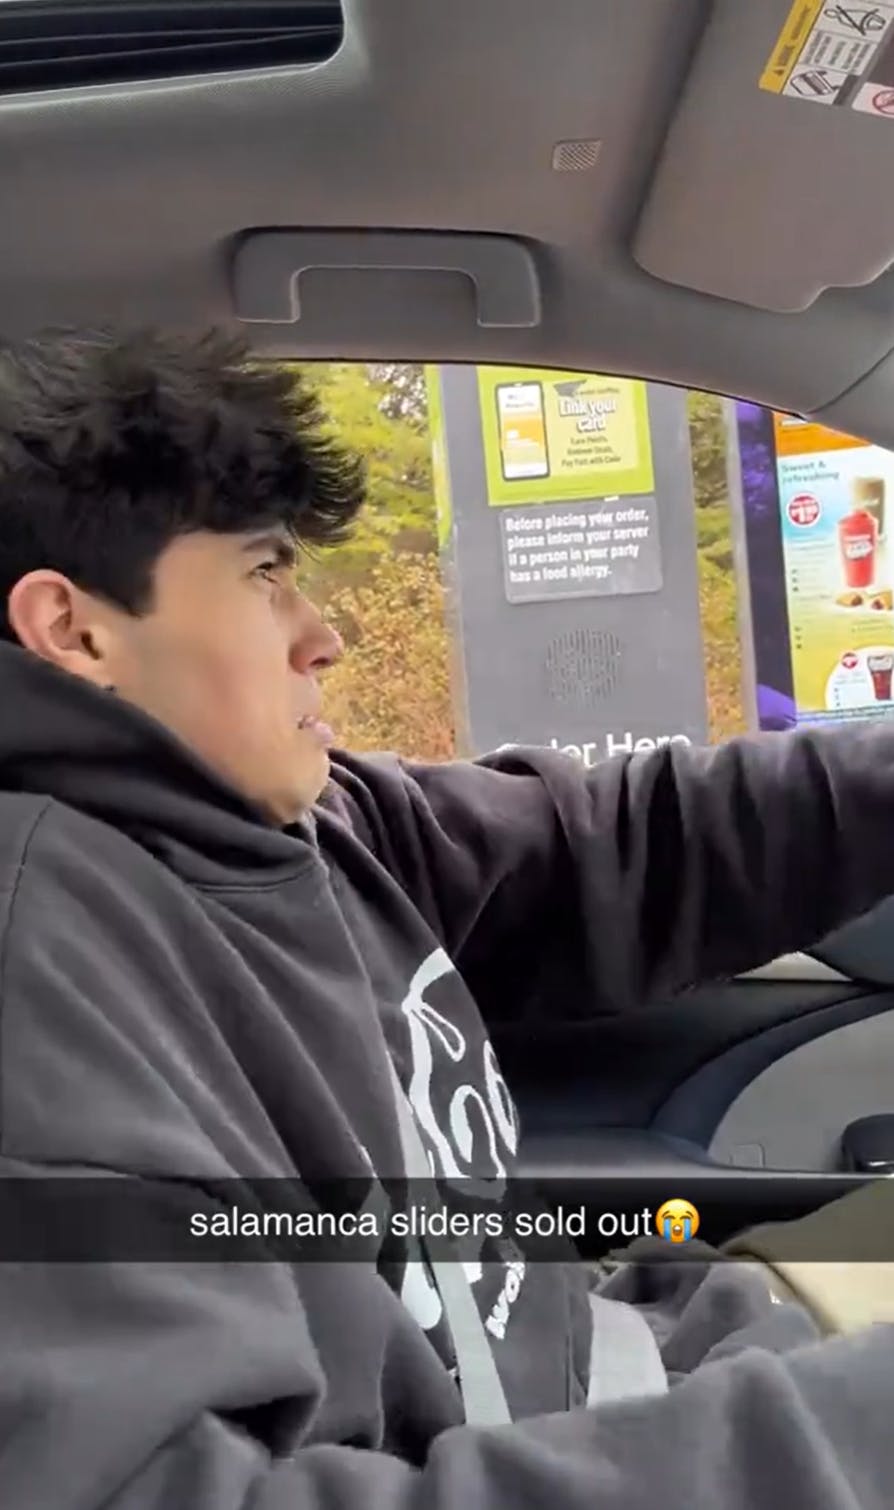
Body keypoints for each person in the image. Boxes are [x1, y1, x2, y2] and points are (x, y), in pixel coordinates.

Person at [0, 326, 891, 1510]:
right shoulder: (41, 958)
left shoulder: (308, 826)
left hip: (636, 1368)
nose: (324, 633)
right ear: (74, 630)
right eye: (265, 573)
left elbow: (622, 845)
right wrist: (830, 1438)